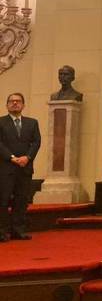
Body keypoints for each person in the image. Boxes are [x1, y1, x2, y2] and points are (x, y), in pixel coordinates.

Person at [0, 93, 41, 241]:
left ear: (23, 105)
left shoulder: (32, 123)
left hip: (25, 167)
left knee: (21, 200)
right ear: (7, 105)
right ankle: (2, 232)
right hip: (5, 169)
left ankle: (19, 230)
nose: (15, 103)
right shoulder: (1, 122)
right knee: (3, 201)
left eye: (18, 101)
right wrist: (12, 158)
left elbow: (36, 142)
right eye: (11, 101)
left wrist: (27, 157)